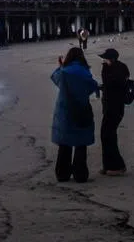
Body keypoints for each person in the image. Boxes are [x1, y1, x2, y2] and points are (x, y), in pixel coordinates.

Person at [51, 46, 100, 183]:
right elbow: (92, 86)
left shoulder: (64, 72)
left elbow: (55, 78)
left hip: (64, 111)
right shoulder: (84, 71)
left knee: (64, 145)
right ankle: (80, 174)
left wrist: (61, 66)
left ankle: (62, 174)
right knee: (80, 144)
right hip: (81, 109)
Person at [98, 48, 130, 176]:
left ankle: (118, 166)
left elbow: (111, 85)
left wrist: (105, 70)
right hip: (113, 107)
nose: (103, 60)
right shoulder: (120, 68)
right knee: (107, 136)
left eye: (105, 58)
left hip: (114, 107)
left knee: (107, 136)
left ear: (111, 59)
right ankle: (108, 166)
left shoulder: (116, 70)